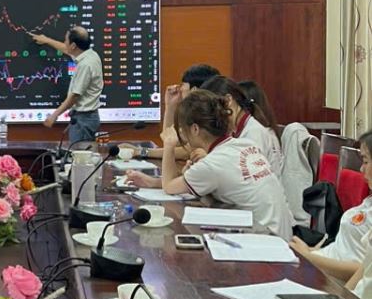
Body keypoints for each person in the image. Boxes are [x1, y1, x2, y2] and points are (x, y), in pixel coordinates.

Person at [157, 91, 292, 238]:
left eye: (183, 129)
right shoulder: (245, 144)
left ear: (195, 129)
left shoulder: (212, 163)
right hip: (282, 235)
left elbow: (169, 186)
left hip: (265, 240)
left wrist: (169, 144)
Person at [289, 131, 372, 281]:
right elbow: (341, 248)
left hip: (331, 279)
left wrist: (309, 257)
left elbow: (363, 271)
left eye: (365, 161)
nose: (361, 169)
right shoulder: (368, 202)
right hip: (321, 266)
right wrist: (310, 251)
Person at [33, 25, 104, 145]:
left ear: (73, 45)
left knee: (80, 154)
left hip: (83, 121)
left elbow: (74, 96)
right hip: (87, 118)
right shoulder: (90, 55)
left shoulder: (85, 65)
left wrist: (54, 116)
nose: (64, 43)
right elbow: (66, 49)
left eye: (66, 40)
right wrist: (46, 40)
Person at [201, 75, 283, 175]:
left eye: (212, 110)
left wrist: (210, 161)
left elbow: (247, 177)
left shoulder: (254, 133)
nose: (211, 117)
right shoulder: (237, 130)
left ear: (228, 100)